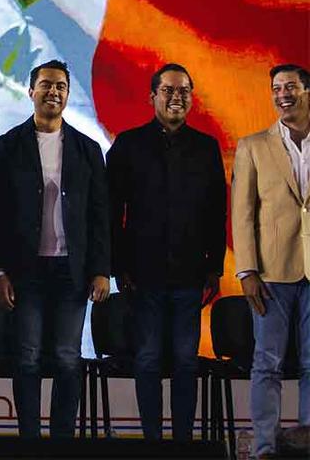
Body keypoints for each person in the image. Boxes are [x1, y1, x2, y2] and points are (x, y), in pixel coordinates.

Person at [0, 59, 110, 438]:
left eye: (61, 86)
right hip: (25, 273)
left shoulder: (88, 150)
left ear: (68, 95)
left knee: (69, 359)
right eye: (46, 85)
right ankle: (29, 443)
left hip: (72, 271)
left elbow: (99, 215)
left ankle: (61, 444)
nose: (53, 91)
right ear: (31, 91)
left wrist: (101, 269)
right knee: (28, 358)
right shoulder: (6, 147)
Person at [107, 63, 226, 441]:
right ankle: (153, 442)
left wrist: (215, 267)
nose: (177, 97)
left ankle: (182, 444)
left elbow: (215, 211)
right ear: (152, 97)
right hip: (143, 275)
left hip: (191, 273)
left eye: (184, 91)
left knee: (186, 362)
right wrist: (118, 266)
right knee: (147, 361)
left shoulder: (206, 148)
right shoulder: (128, 144)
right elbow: (112, 211)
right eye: (169, 91)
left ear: (192, 97)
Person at [232, 63, 310, 459]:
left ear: (306, 91)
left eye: (291, 86)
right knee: (267, 365)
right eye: (277, 88)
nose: (283, 94)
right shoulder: (253, 146)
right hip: (270, 274)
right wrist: (246, 271)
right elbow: (242, 213)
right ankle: (264, 448)